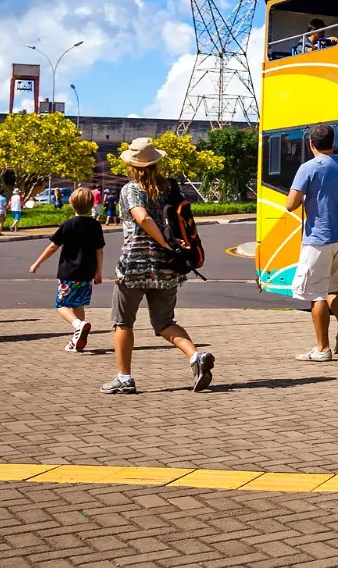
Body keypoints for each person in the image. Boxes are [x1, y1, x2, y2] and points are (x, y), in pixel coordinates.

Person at [103, 137, 215, 394]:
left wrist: (164, 242)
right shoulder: (170, 188)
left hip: (135, 266)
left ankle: (124, 378)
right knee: (164, 322)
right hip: (168, 266)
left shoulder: (131, 189)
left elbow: (141, 217)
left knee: (123, 323)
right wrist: (170, 247)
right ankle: (195, 357)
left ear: (133, 165)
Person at [286, 122, 338, 362]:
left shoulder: (308, 168)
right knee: (334, 287)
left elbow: (291, 204)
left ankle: (322, 349)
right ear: (332, 141)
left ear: (311, 144)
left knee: (316, 293)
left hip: (319, 238)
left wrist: (307, 195)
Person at [29, 187, 106, 352]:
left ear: (71, 204)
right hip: (87, 272)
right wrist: (99, 272)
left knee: (61, 304)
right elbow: (99, 250)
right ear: (92, 204)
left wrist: (37, 263)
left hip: (69, 272)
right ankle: (76, 338)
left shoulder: (69, 224)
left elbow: (53, 247)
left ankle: (78, 325)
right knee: (78, 304)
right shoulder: (95, 225)